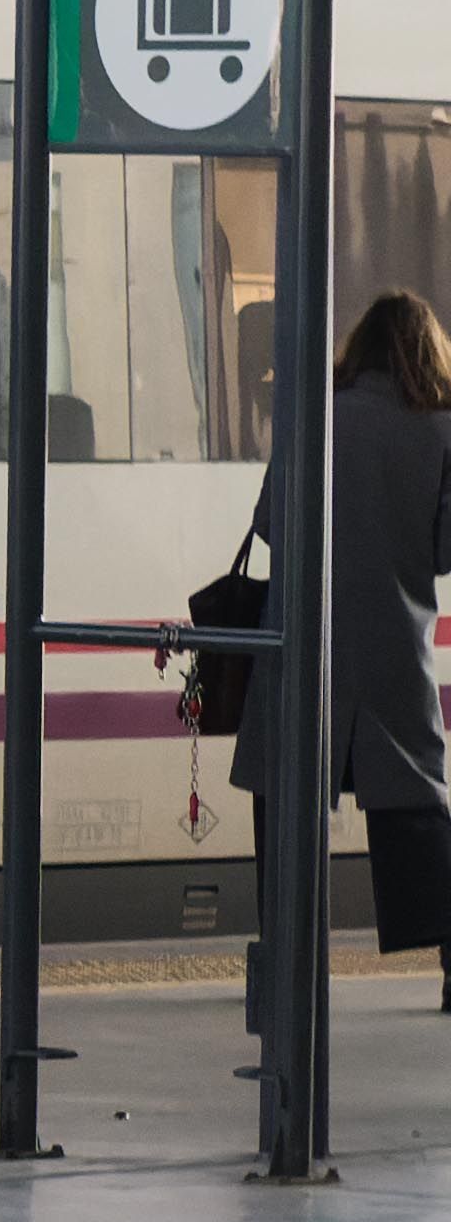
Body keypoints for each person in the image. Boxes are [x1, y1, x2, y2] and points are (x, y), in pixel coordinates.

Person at [233, 290, 451, 1003]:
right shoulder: (441, 430)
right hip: (393, 649)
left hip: (300, 647)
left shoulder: (315, 419)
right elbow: (444, 551)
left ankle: (289, 971)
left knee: (287, 797)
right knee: (417, 807)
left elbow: (270, 523)